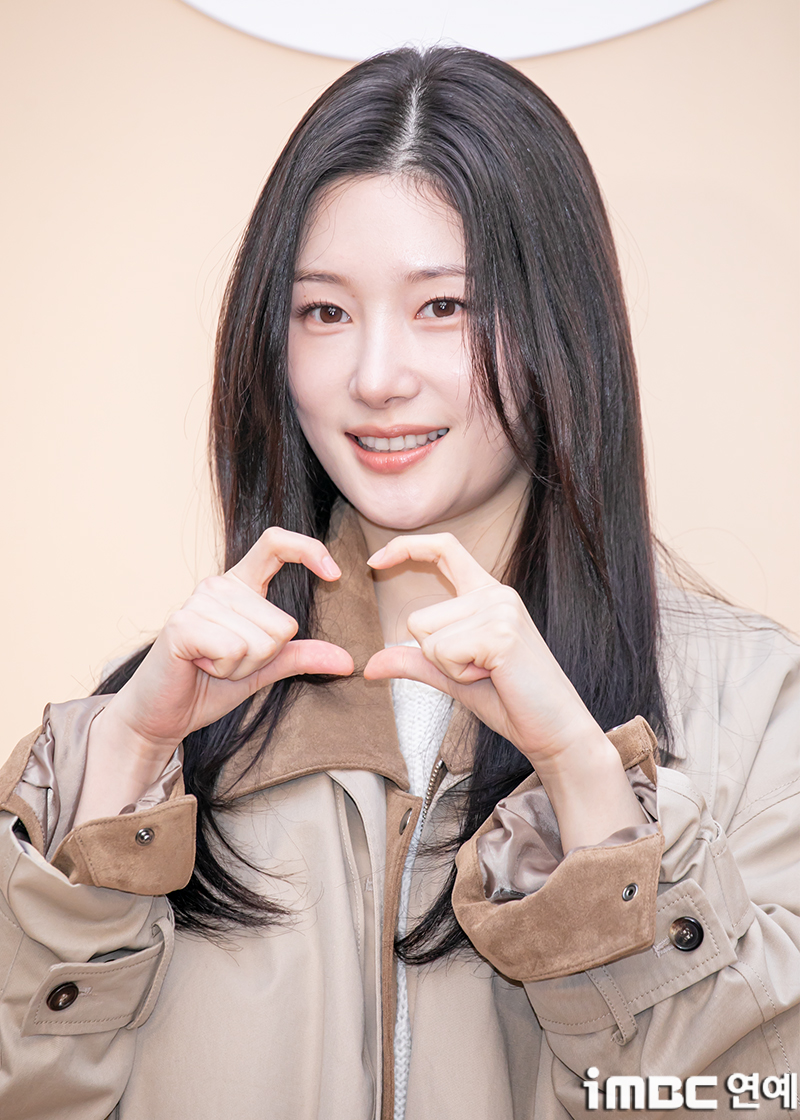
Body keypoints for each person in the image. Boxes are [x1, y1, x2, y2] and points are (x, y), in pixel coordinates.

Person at [0, 46, 797, 1120]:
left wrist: (588, 788)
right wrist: (122, 774)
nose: (375, 378)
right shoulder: (144, 729)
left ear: (562, 326)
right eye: (324, 313)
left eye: (445, 306)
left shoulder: (751, 708)